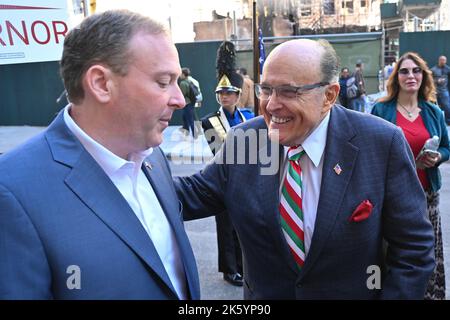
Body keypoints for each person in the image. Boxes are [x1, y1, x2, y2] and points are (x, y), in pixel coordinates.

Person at [175, 39, 435, 299]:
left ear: (329, 96)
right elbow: (186, 196)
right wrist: (138, 145)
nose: (271, 104)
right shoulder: (244, 141)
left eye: (288, 91)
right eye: (266, 89)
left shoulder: (381, 143)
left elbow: (414, 252)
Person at [0, 10, 200, 300]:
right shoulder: (12, 192)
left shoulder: (151, 156)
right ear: (101, 84)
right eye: (163, 81)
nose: (179, 99)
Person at [372, 51, 449, 300]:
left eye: (416, 71)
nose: (411, 76)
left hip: (427, 196)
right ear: (396, 77)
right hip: (391, 197)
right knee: (393, 252)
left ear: (423, 76)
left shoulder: (433, 111)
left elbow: (447, 146)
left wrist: (437, 158)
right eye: (404, 71)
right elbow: (368, 148)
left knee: (426, 254)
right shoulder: (381, 110)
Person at [201, 41, 254, 286]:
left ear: (237, 95)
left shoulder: (250, 117)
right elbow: (220, 151)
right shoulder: (209, 120)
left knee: (245, 225)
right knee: (225, 226)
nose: (224, 96)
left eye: (229, 93)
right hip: (224, 178)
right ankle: (229, 269)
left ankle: (245, 266)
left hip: (248, 178)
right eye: (221, 93)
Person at [431, 55, 450, 124]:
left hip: (444, 91)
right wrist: (437, 81)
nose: (443, 62)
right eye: (442, 60)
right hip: (435, 91)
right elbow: (429, 80)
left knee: (447, 106)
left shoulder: (448, 69)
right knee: (433, 107)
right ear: (439, 60)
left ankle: (448, 121)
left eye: (444, 60)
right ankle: (435, 122)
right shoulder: (433, 69)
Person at [179, 68, 197, 139]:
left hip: (186, 104)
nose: (180, 75)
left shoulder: (183, 83)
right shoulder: (190, 81)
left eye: (181, 73)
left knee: (188, 120)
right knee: (188, 119)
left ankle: (193, 135)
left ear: (183, 74)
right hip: (190, 103)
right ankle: (188, 135)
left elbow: (182, 94)